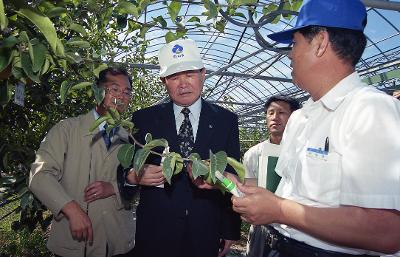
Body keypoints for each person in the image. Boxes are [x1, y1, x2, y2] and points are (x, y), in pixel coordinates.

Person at [231, 0, 400, 256]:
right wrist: (248, 193)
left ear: (320, 42)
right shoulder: (300, 119)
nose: (289, 54)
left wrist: (278, 209)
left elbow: (386, 231)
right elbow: (293, 197)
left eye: (295, 43)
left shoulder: (369, 109)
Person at [124, 39, 241, 257]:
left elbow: (232, 177)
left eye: (189, 74)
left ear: (203, 74)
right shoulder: (145, 119)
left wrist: (229, 228)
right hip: (155, 234)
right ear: (163, 81)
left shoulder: (226, 120)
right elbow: (126, 170)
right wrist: (133, 176)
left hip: (205, 232)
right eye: (174, 77)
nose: (183, 83)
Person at [29, 67, 137, 257]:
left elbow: (138, 181)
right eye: (114, 89)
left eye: (126, 92)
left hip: (117, 239)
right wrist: (70, 209)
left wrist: (114, 187)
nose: (121, 96)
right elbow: (40, 175)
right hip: (75, 241)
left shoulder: (130, 139)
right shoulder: (67, 129)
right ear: (97, 91)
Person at [243, 95, 300, 257]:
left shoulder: (302, 153)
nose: (275, 117)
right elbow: (249, 189)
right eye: (270, 112)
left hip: (293, 229)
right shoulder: (253, 154)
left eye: (282, 112)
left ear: (294, 117)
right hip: (262, 228)